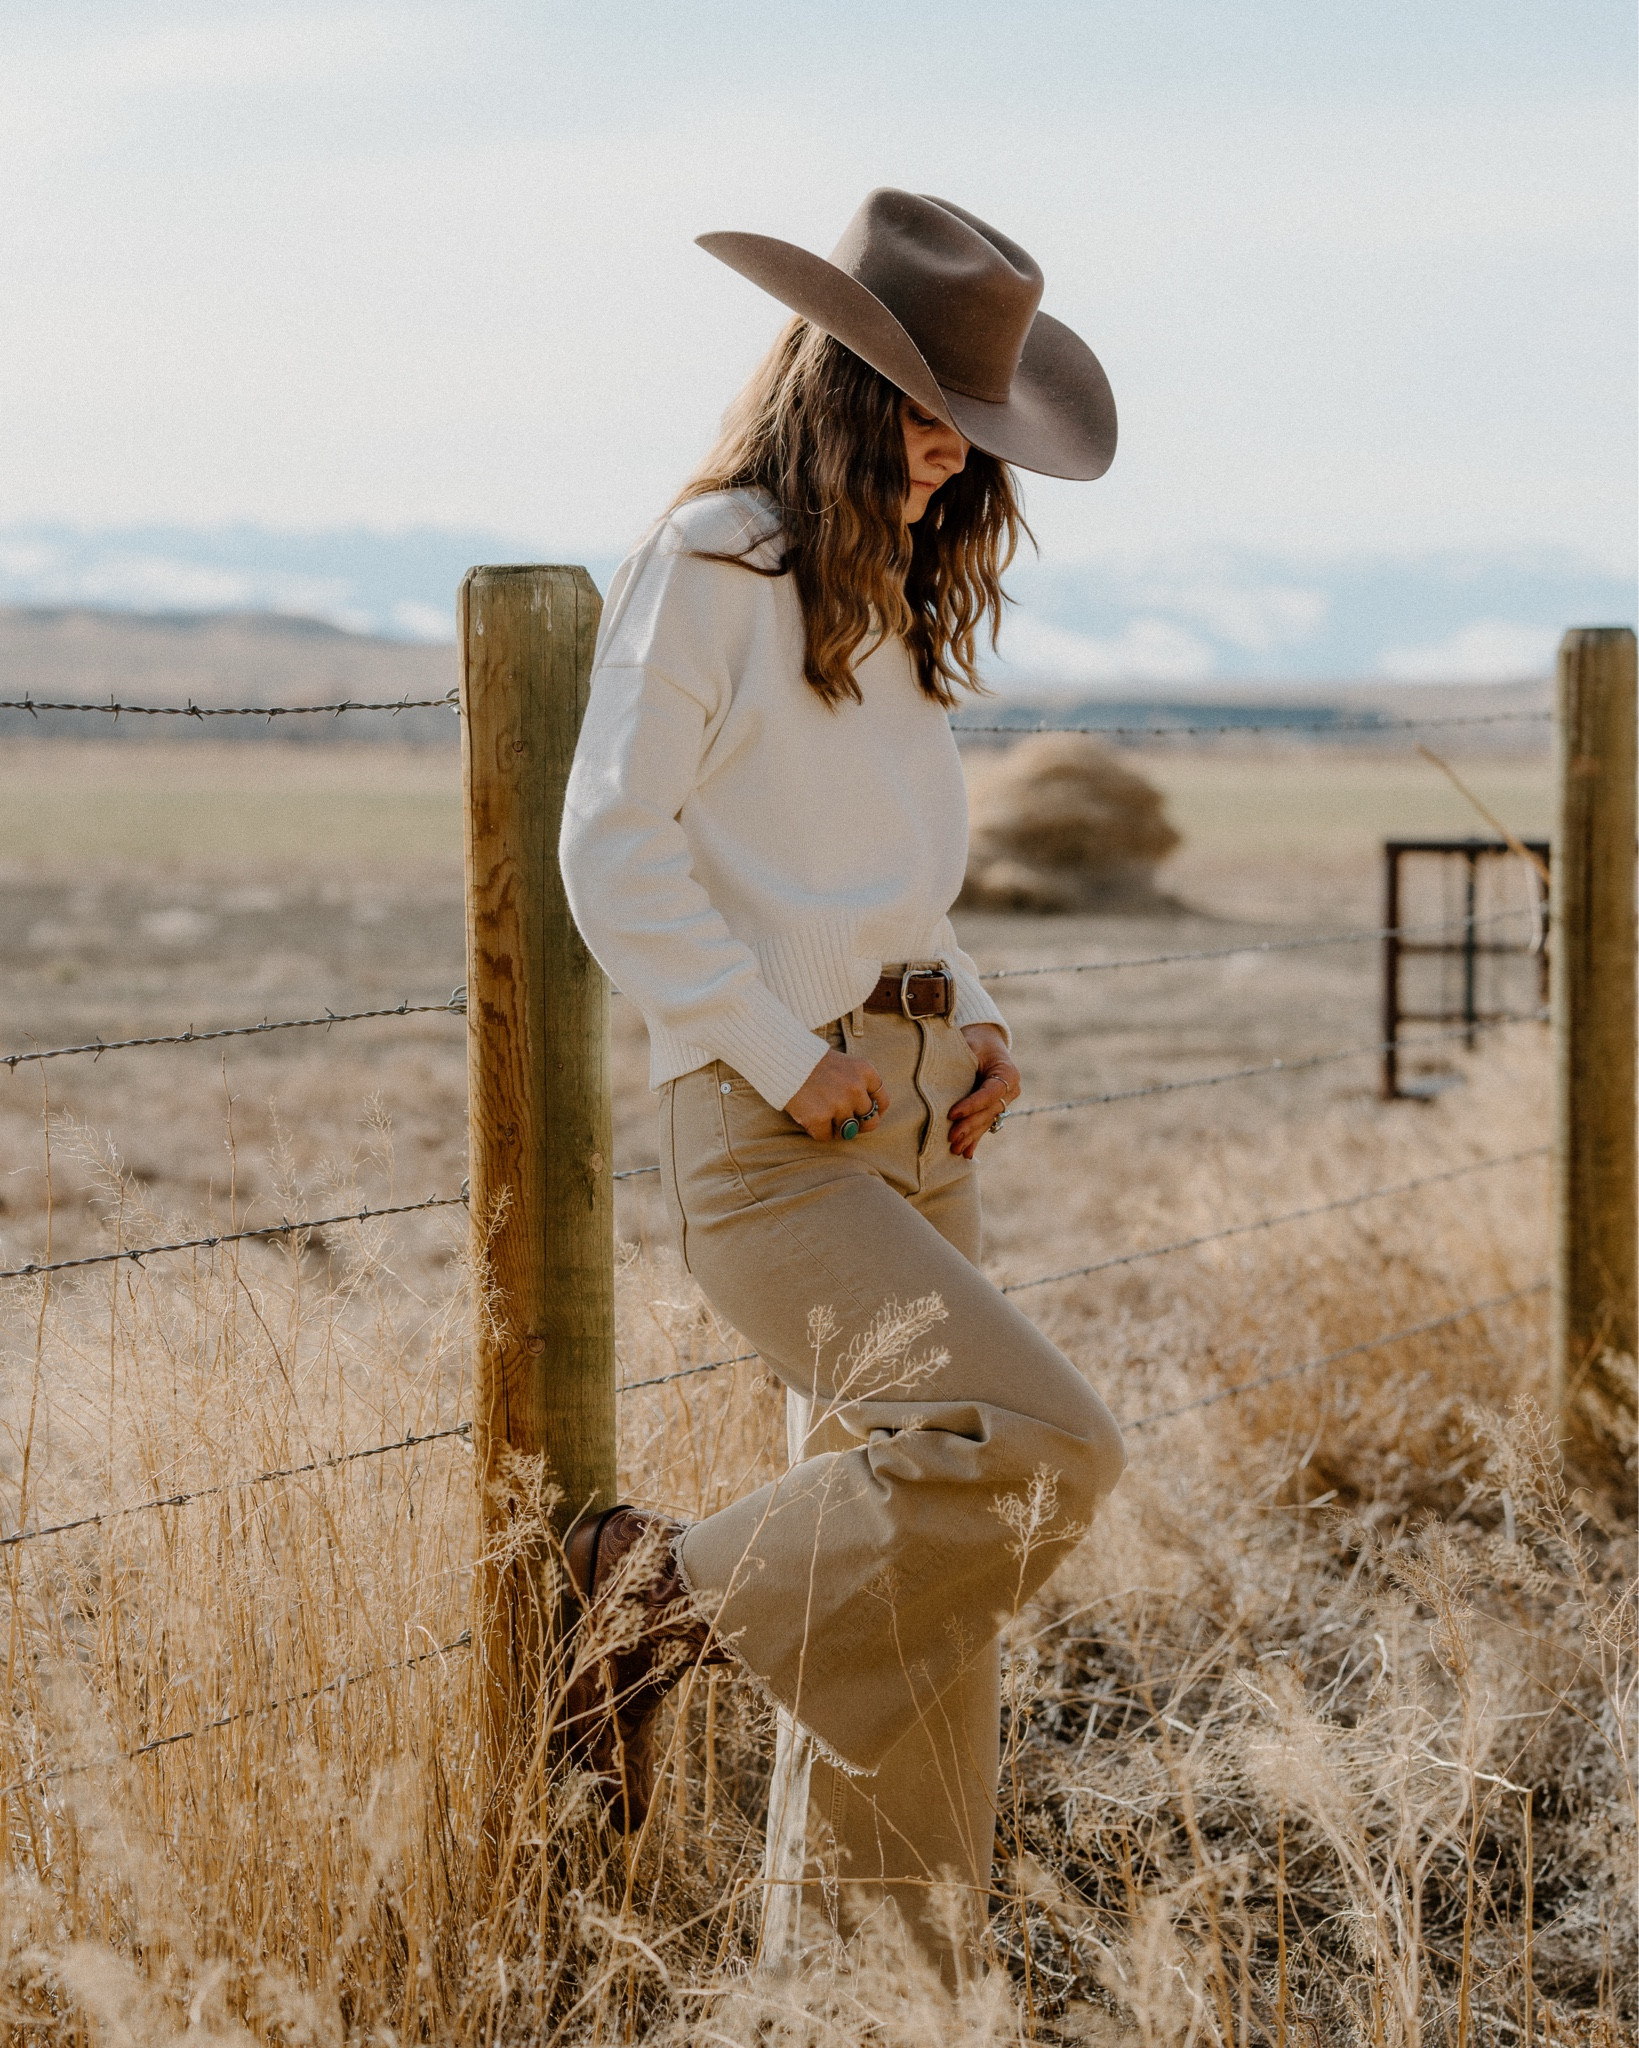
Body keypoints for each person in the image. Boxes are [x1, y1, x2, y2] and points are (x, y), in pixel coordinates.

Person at [558, 187, 1127, 1985]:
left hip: (907, 1112)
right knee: (1036, 1449)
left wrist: (977, 1021)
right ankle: (647, 1604)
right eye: (922, 400)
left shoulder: (887, 593)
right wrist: (781, 1051)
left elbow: (890, 888)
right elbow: (611, 850)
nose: (954, 451)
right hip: (773, 1129)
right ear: (833, 373)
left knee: (936, 1619)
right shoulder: (716, 561)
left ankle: (891, 1998)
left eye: (976, 420)